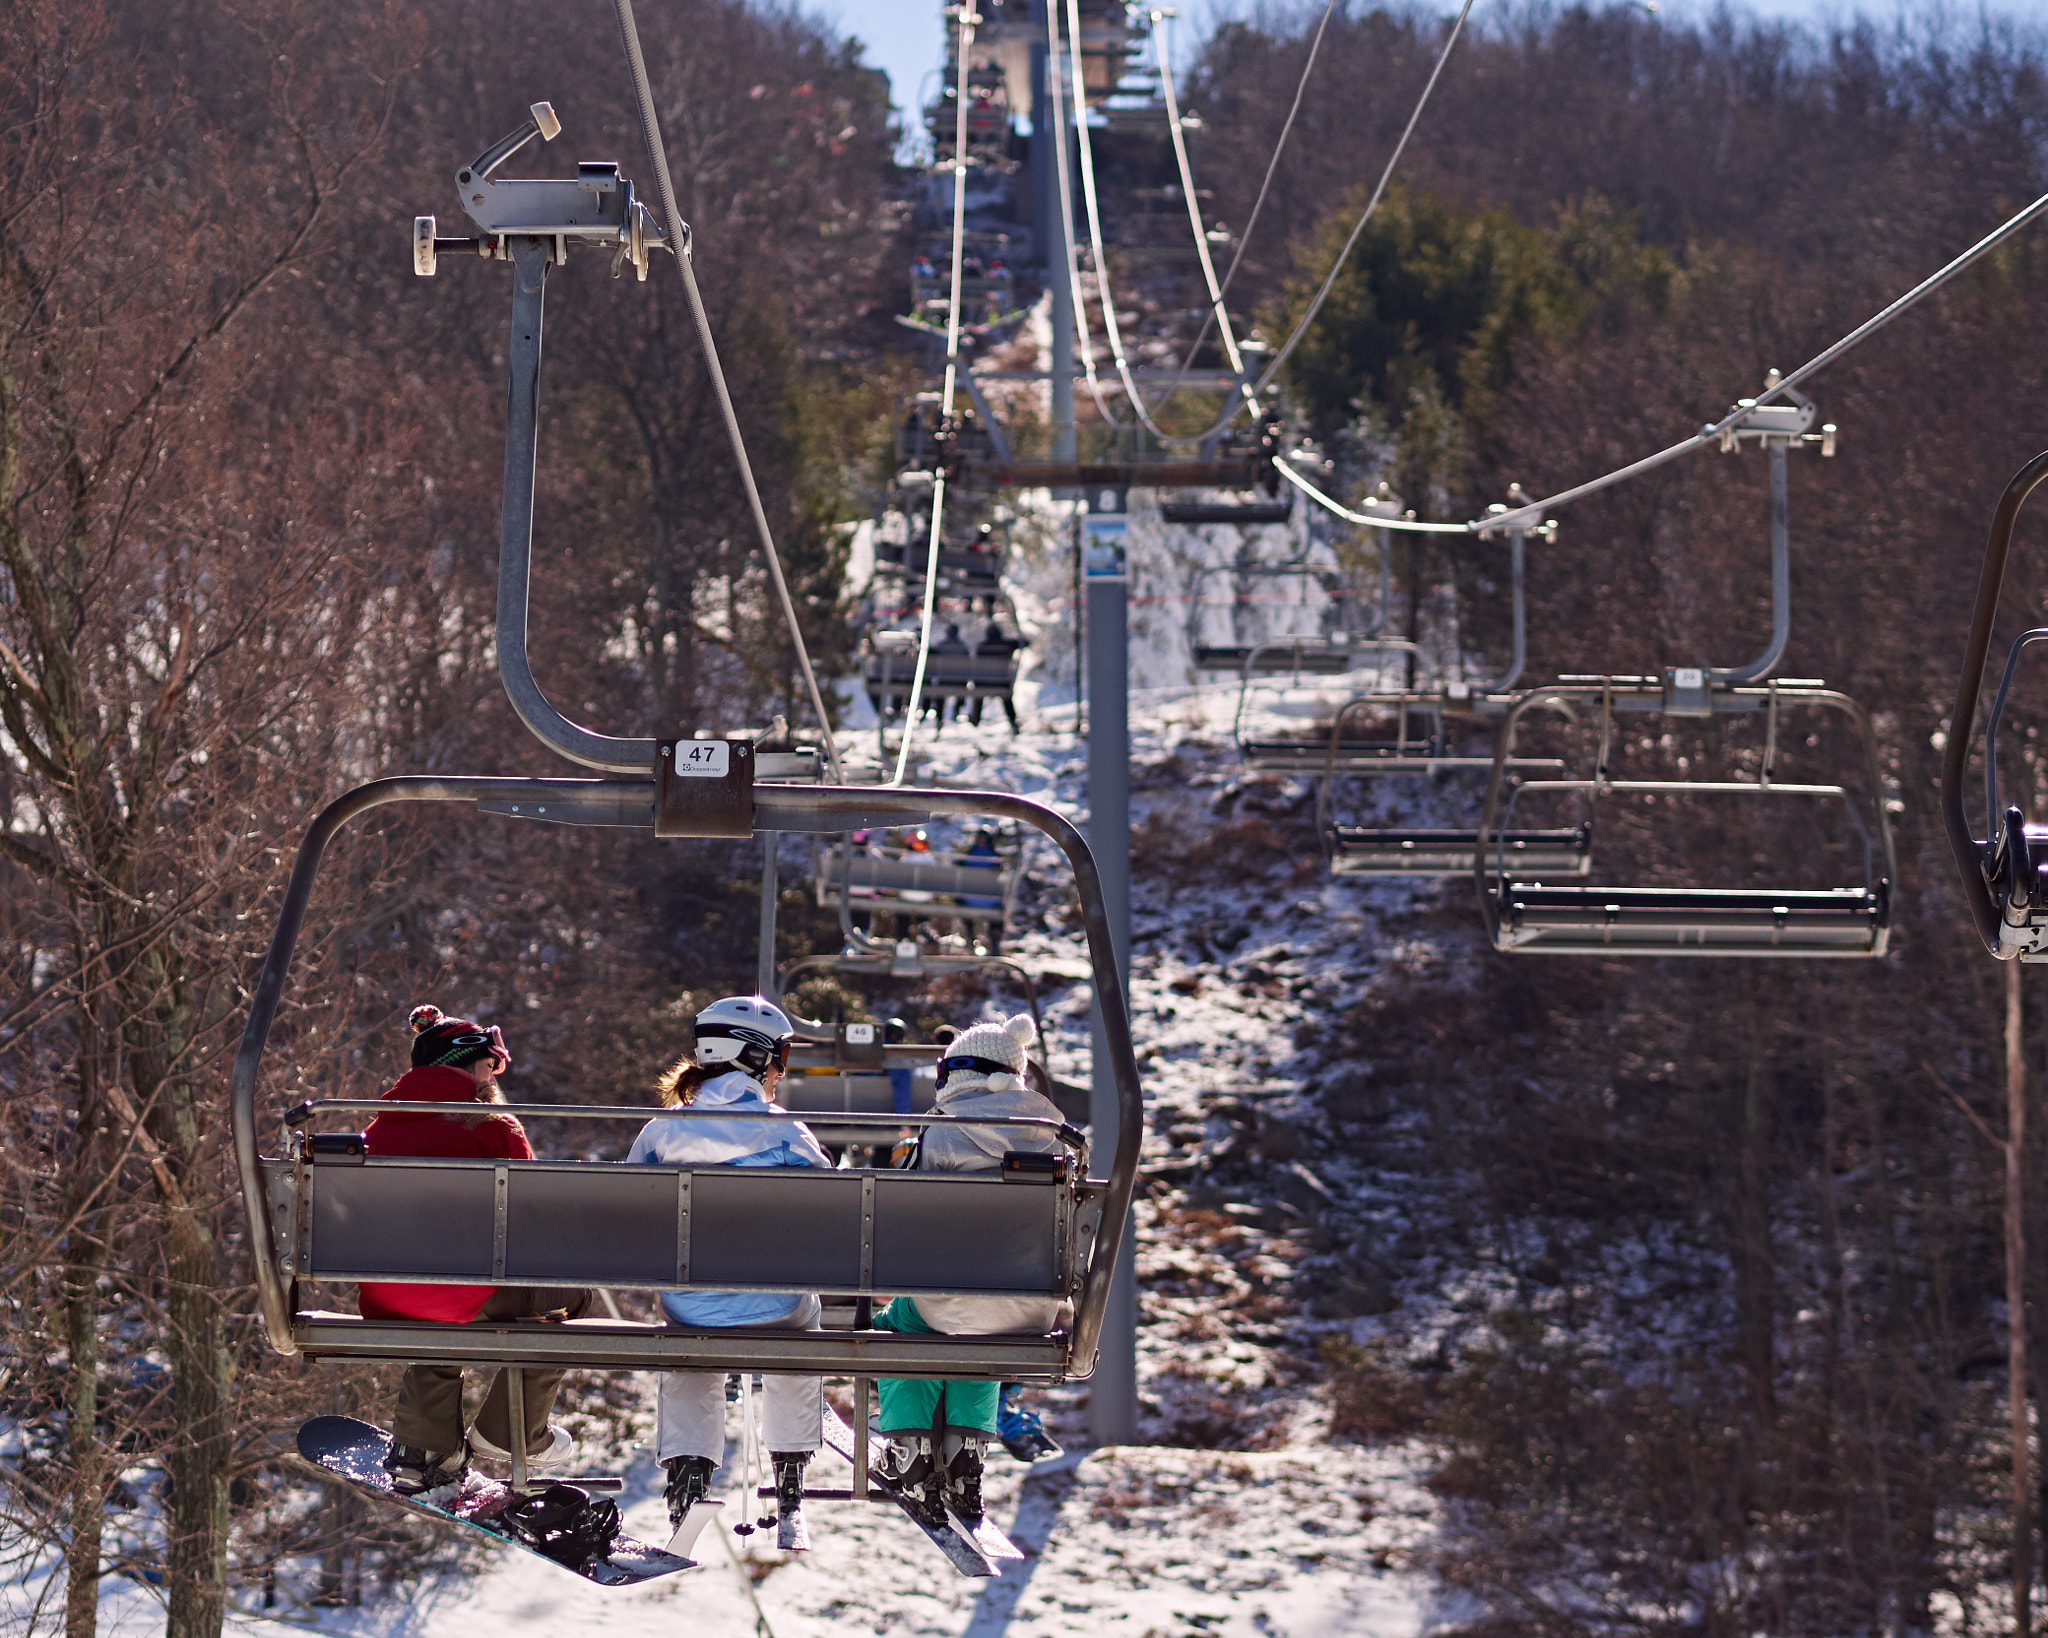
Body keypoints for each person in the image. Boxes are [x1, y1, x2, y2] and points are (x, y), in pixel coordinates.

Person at [364, 1006, 592, 1494]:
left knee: (442, 1300)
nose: (494, 1078)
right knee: (571, 1300)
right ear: (466, 1066)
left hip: (388, 1296)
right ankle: (511, 1435)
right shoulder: (492, 1126)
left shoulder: (377, 1130)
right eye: (491, 1066)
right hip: (459, 1297)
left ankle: (424, 1445)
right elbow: (529, 1222)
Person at [628, 996, 832, 1537]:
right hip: (774, 1306)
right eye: (780, 1059)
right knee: (800, 1325)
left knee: (689, 1346)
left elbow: (628, 1208)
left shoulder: (660, 1132)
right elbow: (832, 1203)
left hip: (689, 1304)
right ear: (758, 1056)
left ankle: (689, 1475)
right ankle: (790, 1471)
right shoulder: (784, 1130)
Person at [873, 1014, 1065, 1524]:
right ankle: (966, 1461)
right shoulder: (1057, 1141)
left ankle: (910, 1455)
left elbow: (904, 1223)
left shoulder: (938, 1136)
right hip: (1032, 1309)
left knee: (905, 1322)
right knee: (983, 1344)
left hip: (947, 1303)